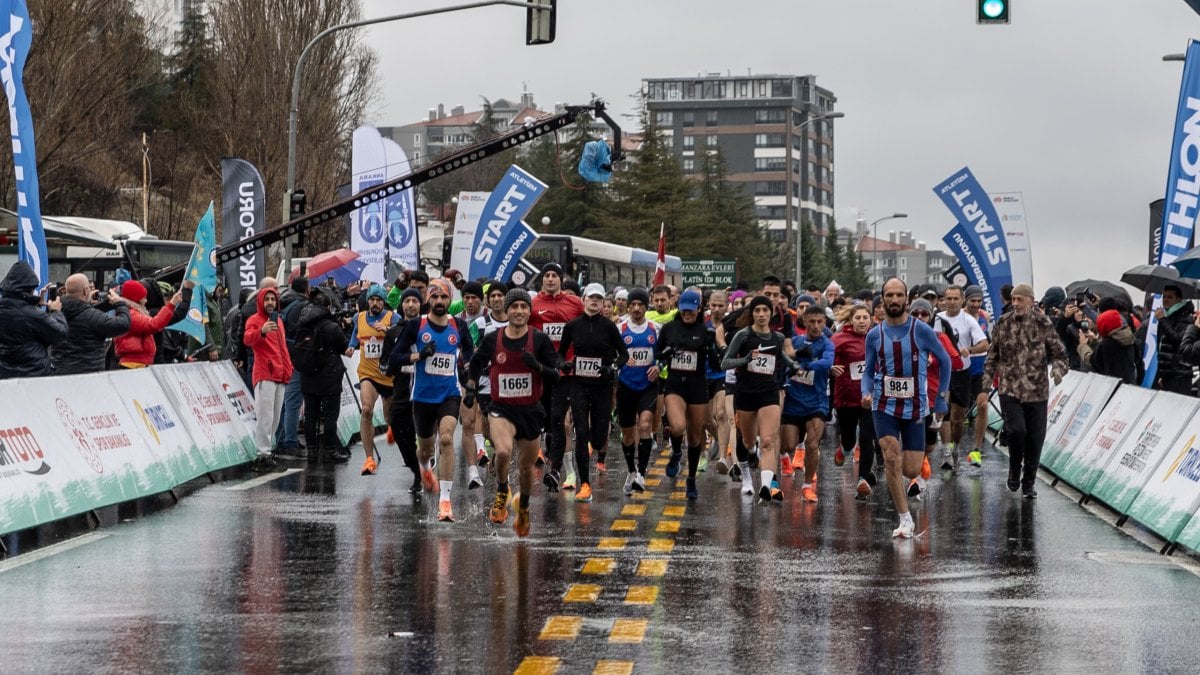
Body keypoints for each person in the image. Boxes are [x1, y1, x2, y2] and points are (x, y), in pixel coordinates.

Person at [861, 278, 952, 538]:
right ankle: (904, 519)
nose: (894, 300)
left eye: (898, 295)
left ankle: (914, 476)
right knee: (891, 457)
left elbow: (945, 362)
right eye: (888, 295)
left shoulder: (921, 331)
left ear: (906, 300)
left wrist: (941, 398)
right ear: (882, 299)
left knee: (910, 469)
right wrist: (865, 392)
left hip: (915, 408)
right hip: (883, 404)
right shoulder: (874, 335)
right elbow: (868, 371)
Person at [466, 288, 560, 536]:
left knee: (527, 467)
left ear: (529, 311)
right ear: (506, 311)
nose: (518, 311)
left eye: (523, 307)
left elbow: (556, 374)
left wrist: (537, 366)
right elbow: (475, 364)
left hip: (530, 411)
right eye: (514, 306)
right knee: (504, 452)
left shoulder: (538, 339)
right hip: (501, 408)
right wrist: (470, 388)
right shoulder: (492, 340)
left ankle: (525, 507)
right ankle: (501, 491)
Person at [392, 278, 474, 522]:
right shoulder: (416, 325)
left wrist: (469, 384)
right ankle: (426, 469)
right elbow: (395, 357)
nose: (439, 302)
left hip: (449, 394)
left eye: (444, 297)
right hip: (422, 397)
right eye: (435, 297)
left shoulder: (458, 325)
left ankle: (445, 501)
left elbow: (469, 353)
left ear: (450, 300)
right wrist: (417, 355)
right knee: (426, 449)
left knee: (447, 439)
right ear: (428, 299)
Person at [984, 283, 1069, 498]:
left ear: (1031, 301)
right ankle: (1014, 469)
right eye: (1013, 300)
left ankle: (1029, 482)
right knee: (1017, 430)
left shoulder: (1043, 323)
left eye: (1020, 299)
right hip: (1009, 388)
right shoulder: (1003, 323)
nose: (1016, 304)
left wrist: (1058, 370)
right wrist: (985, 384)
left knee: (1035, 438)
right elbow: (992, 355)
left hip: (1037, 390)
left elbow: (1060, 354)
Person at [558, 282, 627, 503]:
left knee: (598, 439)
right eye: (591, 298)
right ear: (584, 299)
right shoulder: (572, 326)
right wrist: (565, 365)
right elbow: (560, 355)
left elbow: (623, 355)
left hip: (602, 387)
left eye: (599, 298)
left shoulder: (608, 327)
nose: (595, 301)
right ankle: (585, 484)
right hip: (579, 386)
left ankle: (596, 446)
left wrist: (612, 368)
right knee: (581, 433)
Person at [657, 288, 721, 500]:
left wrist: (712, 349)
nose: (687, 314)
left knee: (695, 437)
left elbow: (715, 364)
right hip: (675, 384)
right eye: (684, 310)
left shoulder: (705, 332)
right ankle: (676, 453)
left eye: (691, 310)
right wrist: (666, 354)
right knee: (677, 426)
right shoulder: (669, 329)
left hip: (697, 386)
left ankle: (691, 478)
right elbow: (656, 353)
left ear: (698, 309)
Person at [529, 262, 583, 491]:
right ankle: (545, 448)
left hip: (567, 372)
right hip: (540, 371)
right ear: (542, 279)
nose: (550, 279)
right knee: (542, 420)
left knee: (562, 422)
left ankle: (561, 470)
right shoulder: (532, 305)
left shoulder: (575, 303)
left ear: (561, 279)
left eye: (554, 275)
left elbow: (588, 326)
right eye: (547, 275)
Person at [344, 284, 400, 475]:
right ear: (368, 300)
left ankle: (393, 427)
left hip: (388, 373)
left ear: (383, 302)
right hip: (367, 372)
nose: (375, 303)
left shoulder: (393, 318)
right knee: (366, 410)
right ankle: (369, 459)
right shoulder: (359, 318)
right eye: (372, 300)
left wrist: (387, 331)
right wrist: (351, 347)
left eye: (378, 300)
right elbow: (355, 336)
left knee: (389, 416)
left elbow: (401, 339)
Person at [782, 305, 835, 503]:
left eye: (819, 322)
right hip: (794, 400)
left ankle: (807, 486)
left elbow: (828, 363)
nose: (815, 326)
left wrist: (805, 364)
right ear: (804, 322)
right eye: (811, 322)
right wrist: (792, 363)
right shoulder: (794, 342)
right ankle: (784, 458)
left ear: (824, 323)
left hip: (817, 402)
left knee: (813, 445)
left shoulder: (827, 344)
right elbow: (785, 358)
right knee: (788, 444)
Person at [934, 285, 989, 468]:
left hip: (962, 372)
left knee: (958, 418)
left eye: (955, 298)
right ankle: (946, 452)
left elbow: (984, 344)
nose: (951, 302)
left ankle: (956, 447)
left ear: (961, 300)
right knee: (944, 414)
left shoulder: (968, 320)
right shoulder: (937, 319)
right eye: (948, 298)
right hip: (942, 372)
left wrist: (970, 350)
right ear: (943, 300)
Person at [295, 290, 351, 464]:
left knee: (310, 415)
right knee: (330, 415)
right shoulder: (331, 327)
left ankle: (312, 450)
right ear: (327, 307)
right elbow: (344, 347)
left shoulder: (303, 325)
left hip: (308, 376)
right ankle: (329, 450)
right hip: (329, 377)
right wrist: (345, 328)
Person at [243, 286, 294, 472]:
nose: (270, 303)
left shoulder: (279, 321)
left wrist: (288, 368)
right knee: (265, 417)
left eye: (273, 299)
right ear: (260, 301)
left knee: (275, 417)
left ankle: (267, 451)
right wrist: (261, 332)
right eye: (267, 299)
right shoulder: (253, 320)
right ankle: (262, 454)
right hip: (265, 373)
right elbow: (247, 339)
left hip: (279, 374)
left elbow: (283, 349)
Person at [831, 304, 878, 499]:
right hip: (846, 398)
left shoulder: (876, 337)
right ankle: (844, 448)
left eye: (865, 317)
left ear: (870, 319)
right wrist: (831, 367)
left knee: (867, 437)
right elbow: (827, 358)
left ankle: (863, 479)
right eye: (857, 318)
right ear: (851, 320)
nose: (861, 321)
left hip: (869, 397)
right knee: (850, 440)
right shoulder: (839, 338)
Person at [615, 288, 659, 495]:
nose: (636, 308)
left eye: (641, 304)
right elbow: (611, 354)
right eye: (633, 304)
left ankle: (641, 473)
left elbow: (662, 355)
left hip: (648, 387)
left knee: (645, 425)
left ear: (646, 306)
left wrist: (659, 367)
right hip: (626, 386)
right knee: (627, 435)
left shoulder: (655, 329)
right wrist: (621, 361)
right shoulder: (620, 328)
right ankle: (631, 471)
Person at [52, 274, 131, 375]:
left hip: (61, 372)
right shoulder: (91, 316)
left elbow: (78, 311)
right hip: (89, 374)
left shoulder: (56, 311)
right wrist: (120, 303)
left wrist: (90, 305)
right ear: (85, 290)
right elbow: (123, 324)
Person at [0, 262, 68, 378]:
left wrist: (34, 304)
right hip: (32, 375)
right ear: (28, 289)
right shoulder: (32, 314)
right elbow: (60, 333)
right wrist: (56, 311)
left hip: (4, 374)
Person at [1137, 284, 1195, 395]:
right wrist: (1162, 374)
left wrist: (1163, 320)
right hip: (1169, 374)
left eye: (1169, 297)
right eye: (1163, 297)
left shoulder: (1185, 317)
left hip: (1179, 375)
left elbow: (1178, 341)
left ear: (1179, 299)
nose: (1165, 300)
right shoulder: (1169, 316)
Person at [276, 276, 311, 457]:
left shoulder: (285, 302)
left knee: (284, 401)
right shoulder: (300, 306)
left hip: (284, 355)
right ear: (306, 289)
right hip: (296, 356)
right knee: (293, 402)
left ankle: (281, 439)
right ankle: (289, 441)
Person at [113, 279, 182, 369]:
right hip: (134, 364)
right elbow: (154, 325)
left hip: (137, 363)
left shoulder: (133, 312)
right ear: (136, 298)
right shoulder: (131, 315)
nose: (146, 300)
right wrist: (172, 304)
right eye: (144, 297)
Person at [962, 285, 993, 466]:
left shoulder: (984, 317)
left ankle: (976, 450)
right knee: (957, 415)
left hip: (980, 370)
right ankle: (951, 448)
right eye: (972, 300)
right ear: (966, 300)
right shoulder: (959, 317)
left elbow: (987, 341)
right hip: (961, 369)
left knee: (982, 406)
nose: (975, 304)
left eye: (978, 301)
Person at [1091, 308, 1143, 385]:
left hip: (1111, 386)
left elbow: (1095, 362)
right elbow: (1140, 364)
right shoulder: (1131, 339)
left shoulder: (1105, 344)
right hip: (1130, 384)